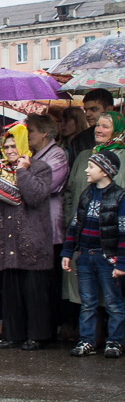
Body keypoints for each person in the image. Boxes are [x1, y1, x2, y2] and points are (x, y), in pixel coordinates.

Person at [0, 125, 54, 351]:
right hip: (8, 239)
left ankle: (37, 335)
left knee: (34, 291)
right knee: (11, 292)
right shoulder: (1, 167)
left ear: (23, 145)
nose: (10, 150)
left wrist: (22, 170)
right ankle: (13, 334)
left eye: (14, 146)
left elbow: (34, 196)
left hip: (32, 239)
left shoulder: (40, 168)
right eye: (6, 146)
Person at [61, 112, 125, 326]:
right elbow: (70, 192)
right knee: (86, 292)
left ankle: (114, 337)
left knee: (113, 290)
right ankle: (91, 336)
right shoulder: (84, 156)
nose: (98, 130)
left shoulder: (123, 156)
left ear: (117, 129)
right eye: (98, 125)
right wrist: (72, 219)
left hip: (113, 237)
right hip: (86, 236)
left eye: (105, 126)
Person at [60, 151, 125, 359]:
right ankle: (86, 340)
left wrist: (121, 262)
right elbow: (75, 225)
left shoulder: (120, 196)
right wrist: (68, 251)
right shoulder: (86, 194)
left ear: (106, 171)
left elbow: (123, 232)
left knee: (114, 303)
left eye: (91, 167)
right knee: (87, 302)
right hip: (85, 256)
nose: (86, 170)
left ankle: (115, 341)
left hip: (108, 258)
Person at [26, 113, 69, 341]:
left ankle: (47, 331)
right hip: (31, 228)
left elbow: (44, 187)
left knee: (46, 284)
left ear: (44, 132)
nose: (28, 135)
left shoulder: (57, 155)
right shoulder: (31, 155)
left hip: (49, 228)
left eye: (31, 130)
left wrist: (23, 175)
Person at [66, 89, 115, 166]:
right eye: (86, 110)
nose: (87, 114)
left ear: (109, 109)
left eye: (94, 109)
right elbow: (75, 172)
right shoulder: (79, 140)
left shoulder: (122, 137)